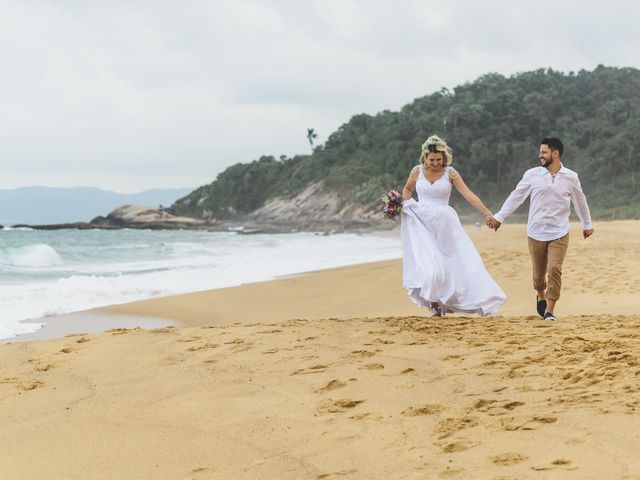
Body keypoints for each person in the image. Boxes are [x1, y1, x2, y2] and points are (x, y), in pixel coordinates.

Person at [487, 137, 593, 321]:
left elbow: (580, 201)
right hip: (535, 232)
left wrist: (587, 225)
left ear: (555, 153)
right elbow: (516, 197)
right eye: (540, 152)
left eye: (543, 152)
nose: (540, 156)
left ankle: (550, 310)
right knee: (538, 276)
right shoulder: (532, 175)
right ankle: (541, 294)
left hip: (559, 232)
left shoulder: (571, 177)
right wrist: (499, 217)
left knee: (554, 269)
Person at [401, 135, 506, 317]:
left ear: (444, 157)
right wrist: (405, 205)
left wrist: (488, 214)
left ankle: (477, 300)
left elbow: (468, 195)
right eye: (432, 160)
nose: (435, 163)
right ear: (425, 157)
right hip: (422, 223)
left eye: (439, 160)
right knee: (429, 266)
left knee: (458, 262)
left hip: (445, 224)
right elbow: (407, 189)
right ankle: (434, 305)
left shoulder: (450, 173)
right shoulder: (416, 172)